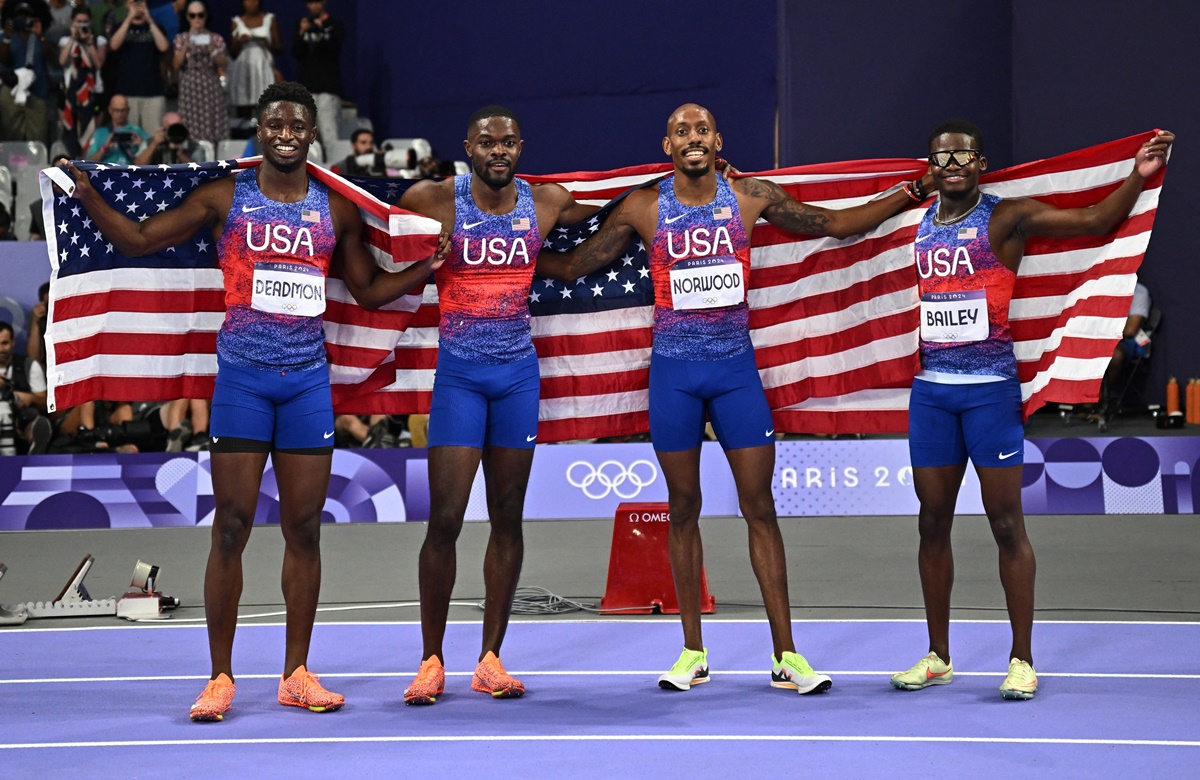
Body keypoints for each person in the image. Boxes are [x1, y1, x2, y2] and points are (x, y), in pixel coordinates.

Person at [61, 81, 447, 721]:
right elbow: (137, 240)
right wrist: (92, 196)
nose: (286, 133)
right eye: (275, 124)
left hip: (304, 384)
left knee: (302, 529)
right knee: (232, 527)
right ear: (260, 131)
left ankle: (296, 672)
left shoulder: (336, 209)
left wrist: (426, 267)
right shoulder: (224, 196)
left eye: (298, 124)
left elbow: (371, 292)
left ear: (311, 133)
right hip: (242, 381)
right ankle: (220, 677)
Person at [538, 103, 935, 695]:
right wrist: (484, 259)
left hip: (734, 375)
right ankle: (693, 651)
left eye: (702, 130)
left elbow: (835, 225)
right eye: (681, 132)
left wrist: (910, 191)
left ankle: (786, 656)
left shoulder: (751, 197)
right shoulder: (643, 208)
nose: (692, 138)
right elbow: (574, 267)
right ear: (666, 144)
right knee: (683, 507)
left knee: (760, 509)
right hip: (674, 375)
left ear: (717, 139)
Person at [888, 121, 1173, 701]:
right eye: (943, 156)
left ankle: (1021, 659)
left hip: (990, 391)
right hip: (932, 395)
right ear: (931, 166)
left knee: (1005, 523)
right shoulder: (913, 222)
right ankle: (938, 655)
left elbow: (1095, 222)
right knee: (931, 521)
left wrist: (1137, 176)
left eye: (965, 154)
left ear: (982, 163)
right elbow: (839, 224)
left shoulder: (1007, 216)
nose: (954, 163)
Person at [396, 105, 600, 706]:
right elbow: (367, 217)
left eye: (508, 142)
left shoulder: (546, 204)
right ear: (468, 147)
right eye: (487, 142)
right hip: (459, 379)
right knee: (446, 519)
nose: (498, 151)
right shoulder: (434, 200)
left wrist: (680, 183)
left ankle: (490, 658)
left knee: (507, 515)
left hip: (516, 380)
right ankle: (431, 660)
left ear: (521, 147)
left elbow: (612, 207)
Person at [107, 0, 169, 134]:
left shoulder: (156, 26)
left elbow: (164, 47)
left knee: (154, 137)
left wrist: (150, 20)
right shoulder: (119, 27)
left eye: (140, 2)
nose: (137, 6)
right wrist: (129, 18)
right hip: (127, 92)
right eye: (132, 2)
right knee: (128, 136)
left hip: (153, 92)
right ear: (126, 5)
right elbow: (113, 45)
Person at [171, 0, 227, 146]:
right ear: (188, 17)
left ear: (206, 16)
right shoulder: (181, 38)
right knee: (190, 124)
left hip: (210, 84)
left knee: (213, 123)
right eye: (193, 15)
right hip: (189, 85)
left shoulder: (215, 38)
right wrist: (186, 45)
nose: (197, 19)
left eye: (200, 15)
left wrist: (211, 48)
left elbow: (224, 63)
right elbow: (176, 65)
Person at [57, 5, 106, 158]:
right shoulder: (65, 40)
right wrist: (73, 38)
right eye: (79, 22)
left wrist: (89, 42)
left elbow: (98, 63)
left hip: (93, 93)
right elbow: (62, 60)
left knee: (91, 136)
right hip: (70, 94)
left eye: (85, 22)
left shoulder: (99, 40)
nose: (82, 25)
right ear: (72, 22)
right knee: (70, 133)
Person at [1099, 280, 1152, 418]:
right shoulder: (1098, 288)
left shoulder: (1139, 292)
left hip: (1124, 341)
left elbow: (1130, 329)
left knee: (1114, 356)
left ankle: (1097, 399)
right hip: (1095, 338)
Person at [293, 0, 341, 149]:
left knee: (329, 135)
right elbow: (296, 52)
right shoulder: (302, 24)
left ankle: (333, 171)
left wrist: (321, 32)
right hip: (306, 88)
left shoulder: (334, 25)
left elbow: (334, 51)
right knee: (304, 135)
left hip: (328, 87)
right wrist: (301, 32)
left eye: (317, 2)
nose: (314, 6)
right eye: (311, 2)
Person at [0, 320, 52, 455]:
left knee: (34, 419)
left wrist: (29, 398)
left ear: (13, 342)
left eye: (4, 343)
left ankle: (33, 450)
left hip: (21, 420)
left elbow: (46, 403)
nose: (0, 349)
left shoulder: (29, 366)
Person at [226, 0, 278, 119]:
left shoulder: (269, 19)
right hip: (243, 67)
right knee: (244, 105)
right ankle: (245, 133)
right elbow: (233, 53)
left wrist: (267, 43)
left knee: (264, 106)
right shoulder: (236, 21)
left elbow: (278, 47)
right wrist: (240, 42)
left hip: (262, 66)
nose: (252, 4)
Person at [85, 92, 147, 163]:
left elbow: (145, 165)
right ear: (110, 110)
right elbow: (88, 162)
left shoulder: (137, 132)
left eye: (123, 110)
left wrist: (141, 147)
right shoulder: (99, 133)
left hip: (129, 171)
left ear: (128, 110)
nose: (120, 114)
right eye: (116, 110)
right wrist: (104, 148)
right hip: (107, 171)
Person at [133, 110, 198, 164]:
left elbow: (198, 171)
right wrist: (154, 144)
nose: (174, 132)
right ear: (163, 128)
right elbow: (138, 166)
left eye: (177, 128)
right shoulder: (150, 143)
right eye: (171, 129)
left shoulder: (193, 145)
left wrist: (180, 154)